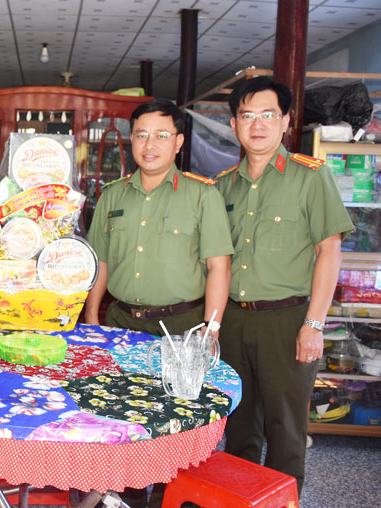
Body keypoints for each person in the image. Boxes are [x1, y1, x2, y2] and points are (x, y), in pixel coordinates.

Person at [84, 98, 233, 508]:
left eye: (161, 135)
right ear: (131, 141)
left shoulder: (203, 196)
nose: (150, 144)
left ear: (179, 142)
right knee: (121, 416)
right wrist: (93, 315)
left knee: (174, 424)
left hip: (182, 327)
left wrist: (211, 328)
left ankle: (168, 501)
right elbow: (101, 262)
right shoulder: (113, 196)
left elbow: (219, 266)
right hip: (119, 323)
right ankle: (120, 498)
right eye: (142, 135)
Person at [216, 77, 353, 495]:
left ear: (286, 121)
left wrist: (314, 323)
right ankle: (240, 502)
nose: (257, 125)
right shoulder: (223, 185)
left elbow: (330, 251)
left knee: (286, 431)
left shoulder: (310, 177)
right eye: (247, 116)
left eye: (267, 115)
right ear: (235, 124)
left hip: (288, 320)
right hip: (235, 321)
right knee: (238, 428)